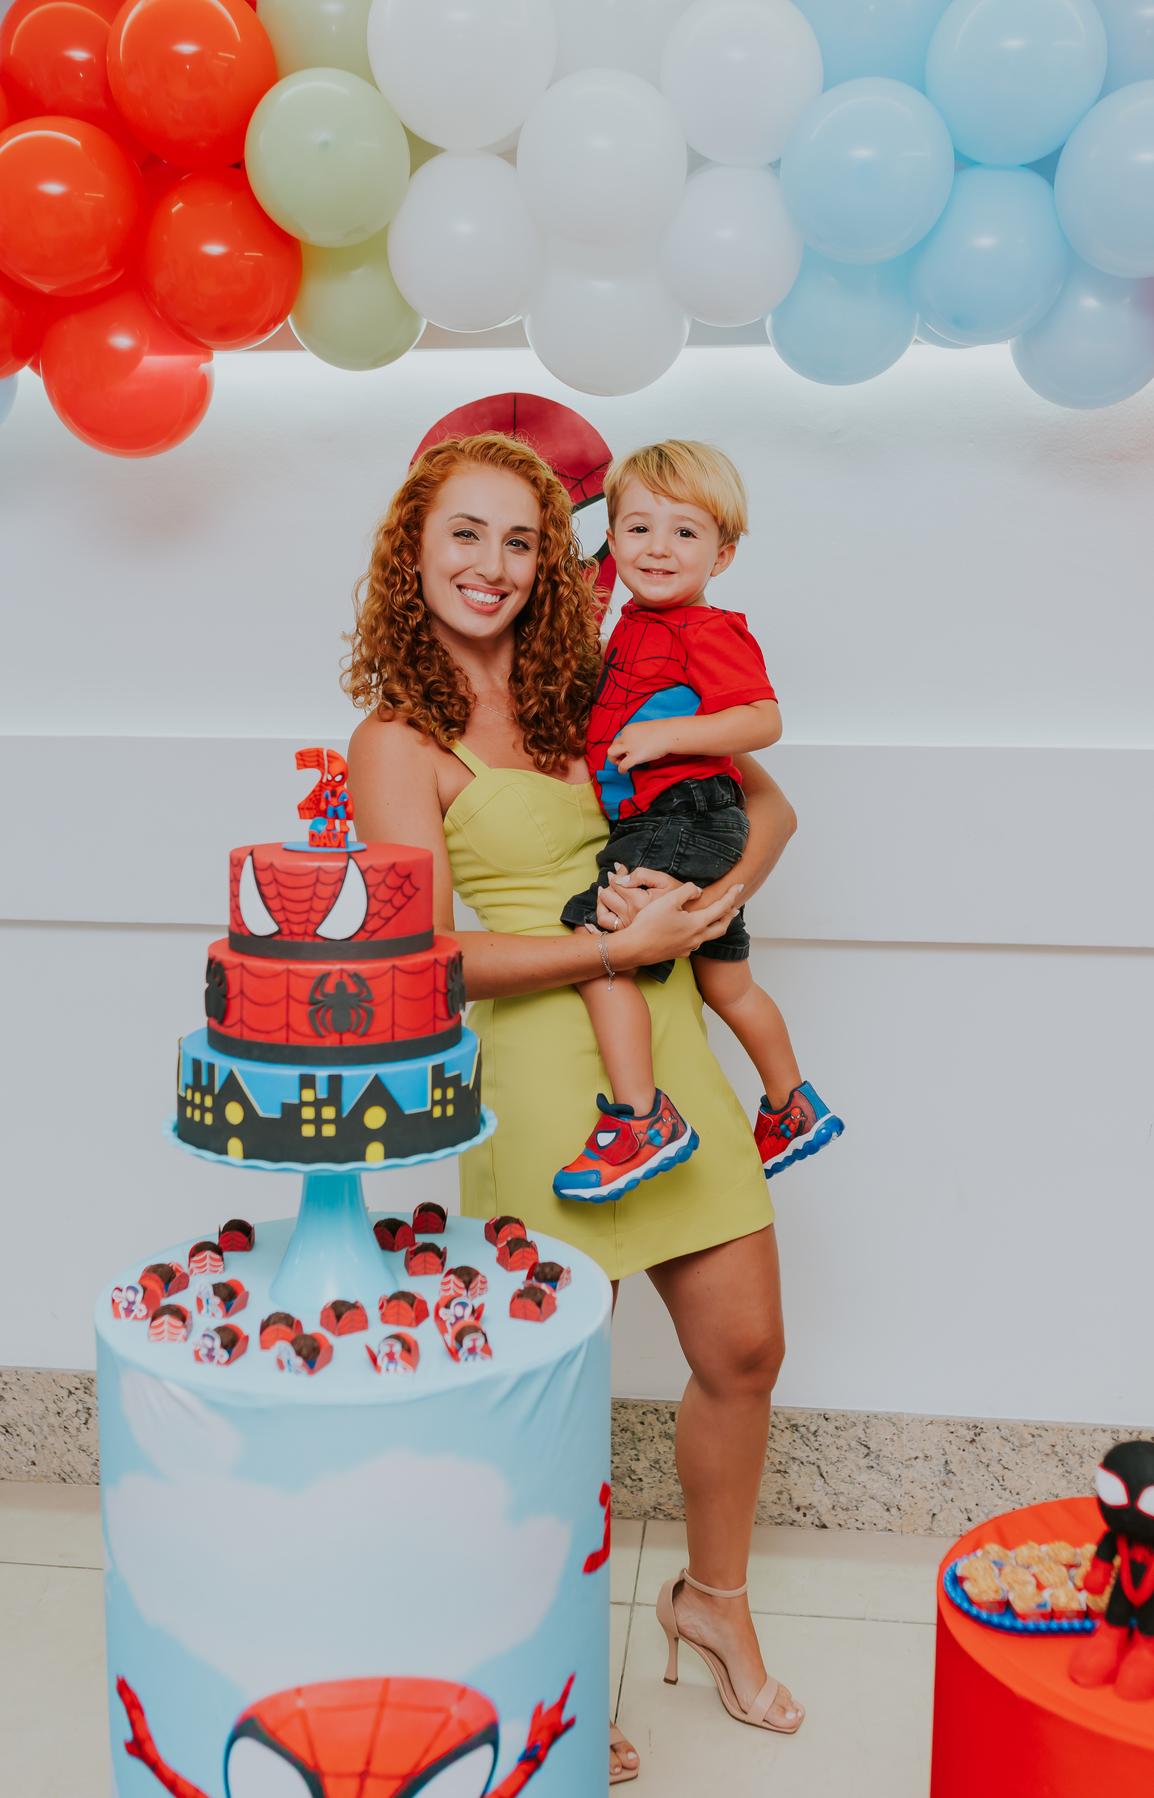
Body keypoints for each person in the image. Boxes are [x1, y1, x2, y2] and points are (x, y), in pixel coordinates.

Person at [344, 432, 805, 1784]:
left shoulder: (592, 685)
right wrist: (609, 948)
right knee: (549, 1398)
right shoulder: (398, 741)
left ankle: (710, 1602)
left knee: (746, 1348)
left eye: (522, 540)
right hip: (552, 1082)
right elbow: (424, 960)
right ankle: (538, 1654)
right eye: (465, 535)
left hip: (665, 1044)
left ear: (558, 559)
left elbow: (768, 805)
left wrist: (716, 899)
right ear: (412, 552)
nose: (492, 566)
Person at [555, 440, 843, 1202]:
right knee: (729, 983)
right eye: (639, 527)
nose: (659, 547)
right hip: (695, 827)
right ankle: (790, 1103)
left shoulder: (704, 629)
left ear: (722, 555)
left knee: (597, 946)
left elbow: (763, 719)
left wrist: (669, 737)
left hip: (682, 818)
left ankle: (640, 1117)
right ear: (612, 540)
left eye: (685, 532)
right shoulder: (632, 625)